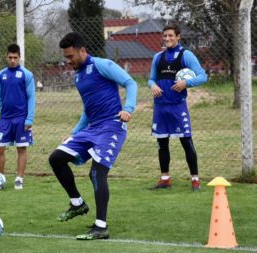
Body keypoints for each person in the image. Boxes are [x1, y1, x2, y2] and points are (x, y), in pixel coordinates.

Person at [48, 32, 137, 240]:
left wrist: (128, 108)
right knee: (56, 158)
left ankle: (101, 227)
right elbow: (88, 110)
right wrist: (74, 133)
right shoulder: (78, 76)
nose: (68, 61)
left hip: (112, 126)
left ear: (83, 51)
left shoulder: (101, 65)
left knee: (96, 173)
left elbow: (130, 83)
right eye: (66, 57)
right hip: (92, 128)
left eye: (71, 57)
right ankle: (77, 203)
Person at [148, 23, 208, 191]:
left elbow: (203, 77)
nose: (167, 38)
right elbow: (151, 78)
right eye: (165, 36)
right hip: (160, 108)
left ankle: (195, 180)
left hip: (177, 107)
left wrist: (186, 82)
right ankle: (165, 179)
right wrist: (152, 85)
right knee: (162, 143)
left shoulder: (186, 55)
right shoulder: (157, 57)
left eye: (171, 36)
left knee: (186, 142)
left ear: (178, 36)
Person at [0, 44, 36, 190]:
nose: (12, 61)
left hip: (21, 118)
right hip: (5, 119)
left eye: (15, 58)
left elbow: (31, 97)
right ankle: (0, 179)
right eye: (10, 57)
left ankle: (19, 179)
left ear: (19, 58)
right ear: (6, 57)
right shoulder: (1, 75)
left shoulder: (26, 74)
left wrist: (29, 118)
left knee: (21, 148)